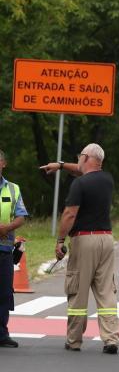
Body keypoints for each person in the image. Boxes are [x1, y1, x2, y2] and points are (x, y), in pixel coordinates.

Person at [40, 143, 119, 354]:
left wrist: (59, 240)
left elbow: (69, 215)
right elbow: (82, 169)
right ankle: (111, 339)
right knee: (106, 291)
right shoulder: (108, 179)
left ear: (85, 157)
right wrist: (60, 165)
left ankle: (74, 340)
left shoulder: (80, 184)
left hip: (84, 241)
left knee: (77, 290)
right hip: (107, 240)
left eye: (80, 156)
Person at [0, 149, 28, 348]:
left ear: (3, 164)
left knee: (3, 293)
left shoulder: (13, 189)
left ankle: (1, 334)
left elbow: (21, 216)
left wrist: (7, 228)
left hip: (4, 248)